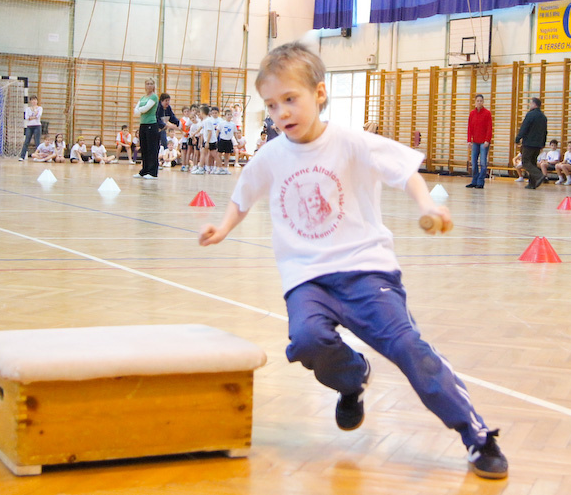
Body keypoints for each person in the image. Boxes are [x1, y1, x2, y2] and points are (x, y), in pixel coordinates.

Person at [198, 42, 508, 480]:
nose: (281, 112)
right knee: (306, 339)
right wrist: (224, 227)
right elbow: (242, 195)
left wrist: (429, 206)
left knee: (407, 348)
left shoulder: (351, 142)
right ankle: (352, 378)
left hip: (366, 269)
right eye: (271, 105)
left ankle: (477, 436)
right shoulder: (271, 155)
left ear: (319, 94)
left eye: (290, 99)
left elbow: (405, 172)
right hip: (307, 277)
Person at [514, 97, 547, 189]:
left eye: (531, 103)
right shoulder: (543, 117)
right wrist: (543, 143)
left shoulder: (530, 115)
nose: (530, 105)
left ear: (534, 104)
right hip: (538, 144)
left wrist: (518, 138)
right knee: (532, 162)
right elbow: (545, 132)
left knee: (525, 162)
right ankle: (532, 184)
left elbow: (524, 127)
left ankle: (539, 175)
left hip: (529, 143)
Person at [133, 78, 160, 179]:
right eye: (147, 84)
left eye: (151, 84)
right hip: (143, 125)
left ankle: (153, 172)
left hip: (151, 125)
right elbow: (136, 110)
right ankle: (144, 170)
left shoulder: (154, 97)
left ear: (153, 86)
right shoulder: (143, 97)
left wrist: (139, 110)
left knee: (151, 149)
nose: (149, 86)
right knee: (144, 148)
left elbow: (145, 108)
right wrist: (139, 110)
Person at [466, 94, 492, 189]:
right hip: (475, 142)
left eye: (481, 101)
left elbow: (489, 128)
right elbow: (470, 128)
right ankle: (474, 180)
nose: (479, 102)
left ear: (483, 102)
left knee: (483, 163)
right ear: (475, 102)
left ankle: (480, 182)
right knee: (473, 162)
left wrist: (487, 140)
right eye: (478, 101)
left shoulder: (487, 113)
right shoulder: (472, 113)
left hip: (483, 142)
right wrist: (469, 140)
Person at [19, 96, 43, 161]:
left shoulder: (39, 108)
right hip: (29, 126)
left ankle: (38, 156)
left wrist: (32, 117)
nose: (34, 101)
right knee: (26, 141)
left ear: (37, 101)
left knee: (37, 141)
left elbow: (38, 115)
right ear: (30, 101)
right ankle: (22, 156)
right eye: (32, 100)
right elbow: (26, 117)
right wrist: (33, 116)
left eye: (35, 100)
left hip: (37, 126)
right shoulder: (28, 109)